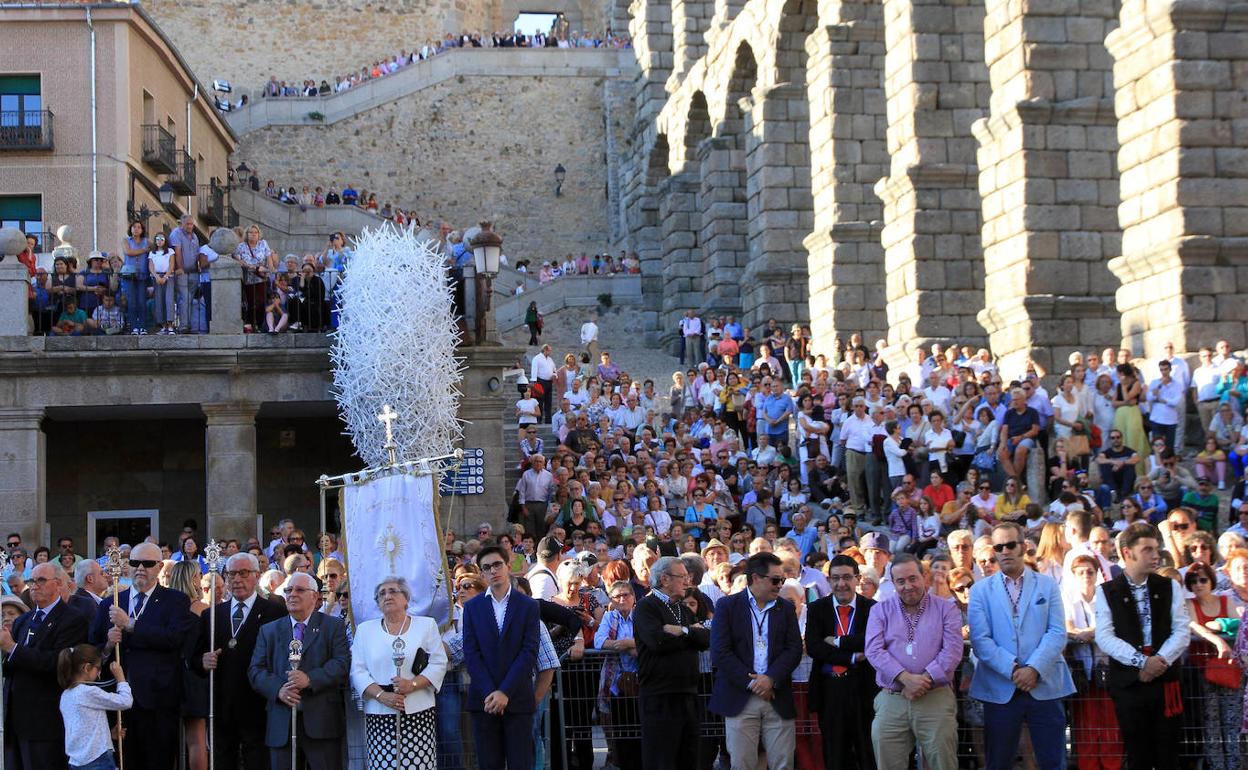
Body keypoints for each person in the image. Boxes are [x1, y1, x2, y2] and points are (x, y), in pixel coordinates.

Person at [968, 522, 1075, 770]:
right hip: (1000, 688)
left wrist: (1034, 669)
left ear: (1023, 547)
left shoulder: (1047, 585)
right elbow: (980, 640)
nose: (1004, 551)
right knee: (999, 763)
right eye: (999, 546)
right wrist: (1014, 670)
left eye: (1010, 544)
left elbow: (1058, 632)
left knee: (1053, 762)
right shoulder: (980, 591)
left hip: (1045, 685)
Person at [1093, 522, 1191, 770]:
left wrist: (1159, 661)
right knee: (1138, 754)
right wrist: (1141, 661)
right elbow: (1105, 636)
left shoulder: (1170, 586)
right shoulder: (1107, 592)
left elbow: (1181, 630)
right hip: (1129, 684)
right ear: (1127, 553)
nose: (1156, 555)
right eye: (1147, 549)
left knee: (1168, 754)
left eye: (1156, 548)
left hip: (1165, 683)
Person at [89, 541, 192, 770]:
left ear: (160, 567)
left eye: (148, 563)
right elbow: (93, 648)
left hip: (158, 700)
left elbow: (174, 639)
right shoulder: (112, 601)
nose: (140, 568)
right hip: (118, 700)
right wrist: (107, 645)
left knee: (158, 761)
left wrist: (131, 625)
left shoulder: (175, 601)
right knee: (125, 762)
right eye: (135, 562)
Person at [863, 553, 963, 770]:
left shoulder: (946, 608)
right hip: (892, 699)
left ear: (924, 577)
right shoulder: (880, 610)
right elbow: (873, 650)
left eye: (912, 578)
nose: (907, 586)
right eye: (900, 581)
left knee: (942, 763)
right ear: (893, 583)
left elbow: (953, 651)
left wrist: (923, 681)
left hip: (935, 697)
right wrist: (906, 679)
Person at [708, 552, 802, 770]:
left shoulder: (786, 608)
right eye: (776, 579)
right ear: (756, 578)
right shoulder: (727, 606)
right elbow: (720, 651)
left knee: (783, 763)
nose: (781, 585)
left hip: (776, 696)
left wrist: (770, 679)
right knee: (742, 764)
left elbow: (794, 649)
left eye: (783, 580)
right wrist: (754, 683)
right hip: (740, 696)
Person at [248, 572, 350, 770]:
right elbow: (256, 670)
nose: (292, 594)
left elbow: (342, 664)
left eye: (299, 590)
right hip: (281, 723)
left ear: (314, 596)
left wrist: (310, 679)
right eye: (288, 590)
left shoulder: (333, 626)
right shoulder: (268, 630)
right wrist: (279, 690)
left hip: (322, 722)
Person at [193, 553, 286, 770]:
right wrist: (203, 661)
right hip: (223, 704)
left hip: (258, 704)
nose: (237, 579)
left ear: (256, 576)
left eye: (243, 573)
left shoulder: (275, 612)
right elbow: (195, 658)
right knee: (223, 760)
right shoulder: (212, 615)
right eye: (232, 573)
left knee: (258, 761)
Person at [351, 576, 448, 770]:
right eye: (381, 594)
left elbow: (438, 662)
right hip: (379, 710)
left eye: (393, 591)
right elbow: (358, 670)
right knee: (383, 764)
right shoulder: (364, 630)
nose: (387, 596)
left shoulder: (426, 625)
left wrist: (412, 685)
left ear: (406, 599)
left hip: (417, 709)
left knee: (418, 764)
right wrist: (381, 695)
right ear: (378, 603)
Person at [1, 562, 89, 770]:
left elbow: (57, 662)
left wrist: (12, 648)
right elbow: (12, 665)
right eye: (32, 580)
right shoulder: (23, 620)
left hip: (45, 720)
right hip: (15, 720)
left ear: (58, 584)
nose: (34, 586)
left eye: (41, 580)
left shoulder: (72, 619)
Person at [462, 545, 541, 770]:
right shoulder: (472, 608)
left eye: (497, 564)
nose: (493, 570)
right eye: (486, 567)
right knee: (489, 764)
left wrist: (505, 691)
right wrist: (491, 693)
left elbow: (529, 652)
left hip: (517, 700)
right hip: (484, 702)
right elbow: (471, 653)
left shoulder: (528, 606)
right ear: (482, 573)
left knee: (521, 764)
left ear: (508, 566)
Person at [632, 555, 710, 770]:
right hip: (660, 697)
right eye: (683, 576)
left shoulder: (683, 609)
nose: (688, 581)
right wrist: (690, 635)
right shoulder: (646, 607)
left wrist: (682, 631)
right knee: (661, 760)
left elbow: (705, 640)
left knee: (689, 758)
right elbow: (658, 641)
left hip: (687, 694)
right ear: (665, 579)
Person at [806, 555, 877, 770]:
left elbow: (872, 640)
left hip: (863, 689)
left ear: (857, 578)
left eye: (847, 577)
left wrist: (838, 641)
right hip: (830, 690)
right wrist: (852, 656)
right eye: (835, 578)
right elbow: (814, 647)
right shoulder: (817, 608)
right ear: (828, 580)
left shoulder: (872, 608)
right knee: (835, 755)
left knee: (867, 753)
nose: (841, 584)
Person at [58, 644, 133, 770]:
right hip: (97, 761)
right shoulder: (88, 692)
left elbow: (81, 731)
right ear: (87, 668)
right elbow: (126, 702)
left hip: (76, 762)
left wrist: (107, 735)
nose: (99, 674)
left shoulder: (66, 695)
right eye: (98, 669)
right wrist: (121, 679)